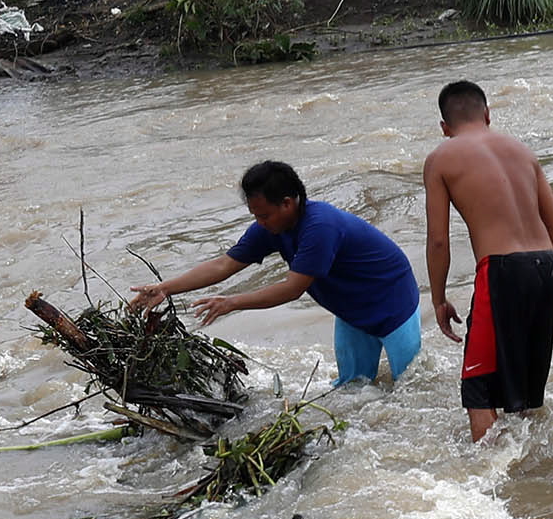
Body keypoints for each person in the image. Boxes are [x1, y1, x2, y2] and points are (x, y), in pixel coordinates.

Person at [127, 161, 422, 386]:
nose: (259, 222)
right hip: (352, 310)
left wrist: (231, 303)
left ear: (288, 203)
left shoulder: (320, 228)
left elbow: (292, 288)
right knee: (352, 390)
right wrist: (166, 288)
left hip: (392, 302)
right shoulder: (272, 226)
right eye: (255, 215)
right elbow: (224, 264)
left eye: (264, 215)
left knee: (412, 386)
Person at [422, 80, 553, 440]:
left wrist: (439, 299)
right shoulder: (521, 150)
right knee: (525, 391)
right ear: (487, 114)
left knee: (478, 388)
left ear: (444, 127)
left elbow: (438, 240)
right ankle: (537, 477)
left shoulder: (441, 157)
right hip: (546, 264)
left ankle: (495, 482)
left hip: (501, 271)